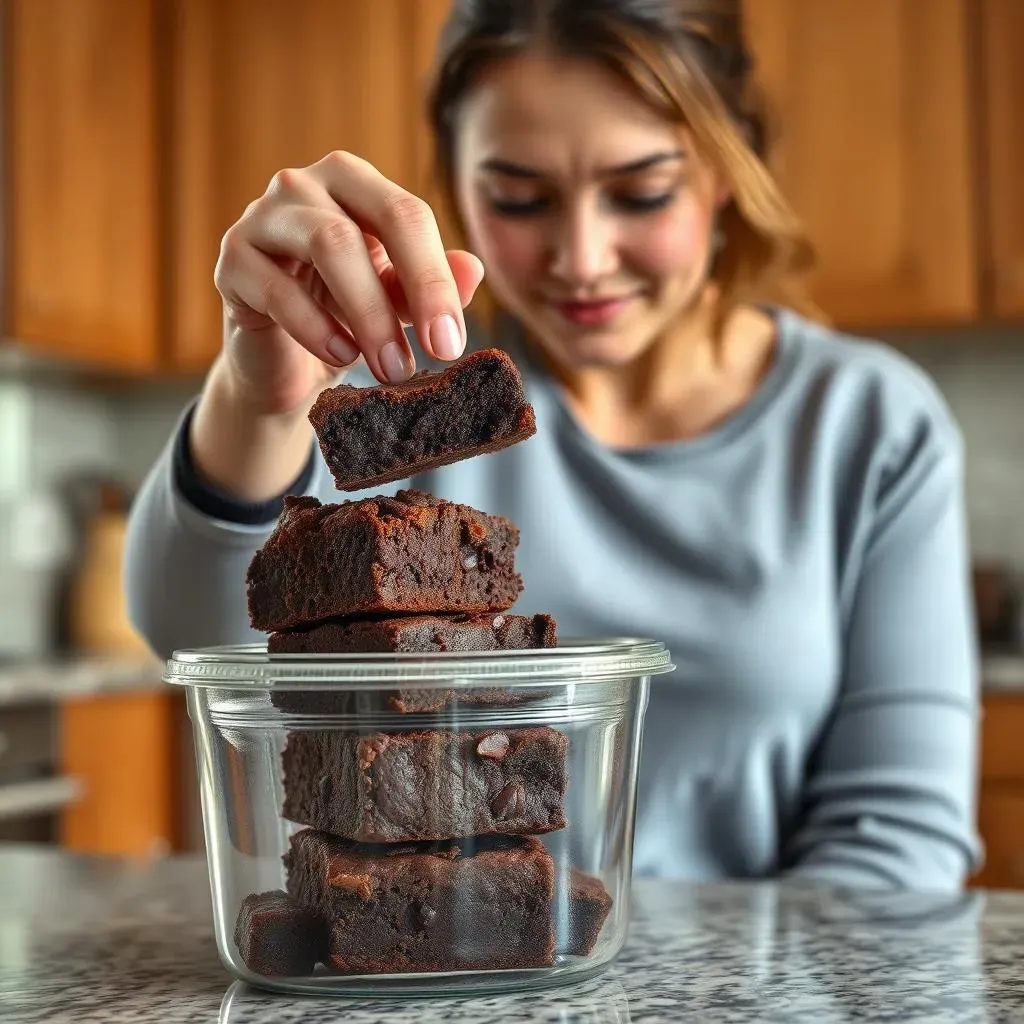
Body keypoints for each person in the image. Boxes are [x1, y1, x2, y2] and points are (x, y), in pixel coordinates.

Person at [126, 0, 981, 890]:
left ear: (728, 169)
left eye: (642, 192)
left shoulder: (869, 423)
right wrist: (257, 401)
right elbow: (194, 634)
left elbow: (898, 840)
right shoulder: (394, 384)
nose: (581, 256)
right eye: (519, 198)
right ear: (457, 189)